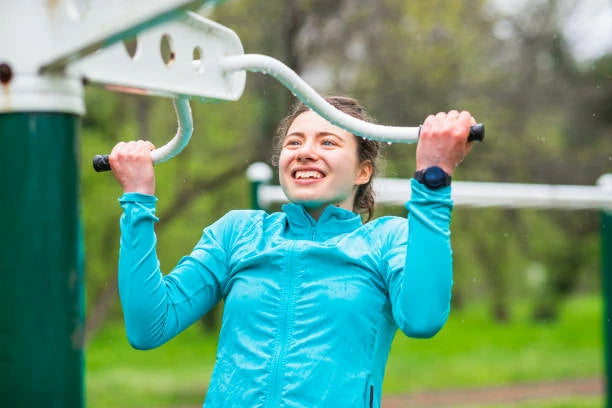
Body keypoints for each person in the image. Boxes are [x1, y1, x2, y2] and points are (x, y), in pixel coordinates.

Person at [109, 96, 476, 408]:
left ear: (363, 171)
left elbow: (423, 319)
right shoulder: (238, 233)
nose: (306, 153)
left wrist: (434, 177)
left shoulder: (386, 241)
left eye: (328, 142)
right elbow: (148, 327)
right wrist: (138, 200)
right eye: (294, 142)